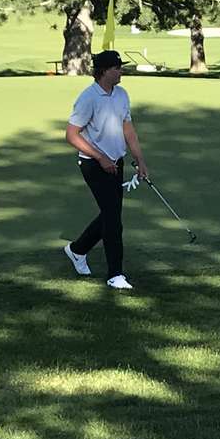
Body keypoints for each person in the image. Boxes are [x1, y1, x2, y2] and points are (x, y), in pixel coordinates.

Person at [63, 50, 150, 290]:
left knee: (110, 215)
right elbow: (72, 135)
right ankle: (115, 274)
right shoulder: (88, 98)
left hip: (116, 163)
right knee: (113, 219)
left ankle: (77, 250)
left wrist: (140, 160)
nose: (121, 71)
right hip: (93, 164)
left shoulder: (122, 95)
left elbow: (128, 130)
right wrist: (100, 158)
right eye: (117, 68)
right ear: (104, 71)